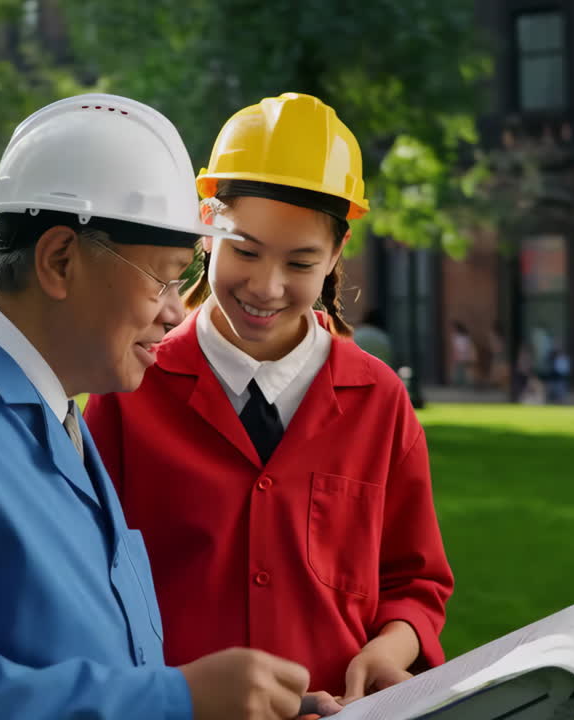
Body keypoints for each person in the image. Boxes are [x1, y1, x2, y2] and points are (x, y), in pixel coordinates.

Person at [0, 94, 315, 720]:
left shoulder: (58, 419)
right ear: (59, 261)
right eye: (164, 277)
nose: (178, 311)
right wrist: (177, 701)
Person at [85, 93, 454, 716]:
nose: (266, 287)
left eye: (301, 262)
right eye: (246, 251)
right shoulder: (129, 390)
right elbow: (86, 579)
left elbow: (414, 582)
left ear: (336, 255)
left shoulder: (380, 401)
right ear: (206, 229)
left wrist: (392, 646)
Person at [449, 321, 474, 388]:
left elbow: (457, 348)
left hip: (462, 356)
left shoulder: (457, 337)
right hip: (464, 355)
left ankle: (462, 383)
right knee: (461, 370)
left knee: (461, 370)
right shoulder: (465, 337)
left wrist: (456, 355)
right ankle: (462, 383)